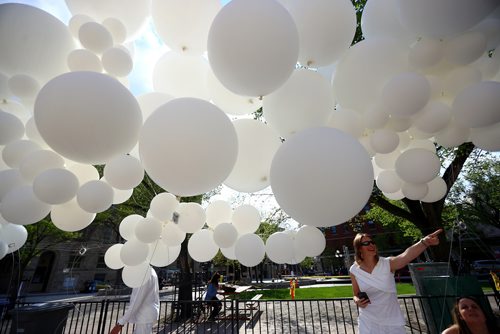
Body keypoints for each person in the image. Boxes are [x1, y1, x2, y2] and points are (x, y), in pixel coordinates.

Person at [350, 229, 443, 334]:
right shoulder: (354, 270)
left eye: (372, 242)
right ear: (359, 248)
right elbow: (355, 294)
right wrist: (357, 300)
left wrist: (425, 242)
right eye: (366, 243)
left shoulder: (388, 264)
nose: (371, 245)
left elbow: (406, 255)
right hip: (368, 321)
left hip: (392, 321)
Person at [110, 267, 160, 334]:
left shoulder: (144, 273)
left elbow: (137, 301)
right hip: (147, 314)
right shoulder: (150, 271)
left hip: (144, 315)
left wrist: (121, 323)